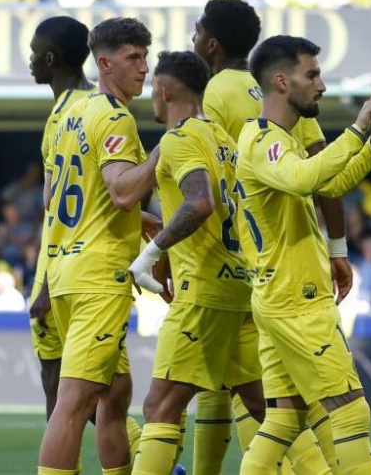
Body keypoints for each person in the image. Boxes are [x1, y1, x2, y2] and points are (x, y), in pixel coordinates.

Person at [193, 0, 353, 473]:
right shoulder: (291, 106)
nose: (194, 40)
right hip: (288, 266)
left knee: (242, 390)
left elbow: (208, 180)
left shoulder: (217, 93)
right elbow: (323, 174)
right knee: (272, 394)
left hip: (238, 262)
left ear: (212, 42)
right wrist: (338, 248)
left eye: (197, 31)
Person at [236, 34, 371, 475]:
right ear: (281, 82)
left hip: (279, 295)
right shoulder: (263, 141)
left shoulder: (275, 139)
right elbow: (305, 179)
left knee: (284, 418)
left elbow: (328, 184)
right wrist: (356, 131)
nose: (322, 85)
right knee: (349, 411)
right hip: (297, 297)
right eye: (311, 74)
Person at [127, 50, 274, 475]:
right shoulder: (225, 140)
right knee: (264, 405)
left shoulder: (178, 139)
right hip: (239, 286)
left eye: (154, 89)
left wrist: (151, 254)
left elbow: (200, 202)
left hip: (204, 292)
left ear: (165, 90)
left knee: (162, 404)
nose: (151, 98)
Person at [36, 17, 158, 475]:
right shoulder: (113, 115)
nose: (144, 68)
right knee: (75, 400)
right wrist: (165, 148)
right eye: (134, 58)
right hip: (97, 277)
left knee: (116, 392)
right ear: (105, 63)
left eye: (145, 57)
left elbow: (55, 198)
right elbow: (124, 191)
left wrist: (141, 222)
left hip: (67, 270)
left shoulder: (69, 113)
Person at [26, 14, 99, 420]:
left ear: (51, 59)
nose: (30, 62)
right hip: (66, 260)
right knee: (65, 380)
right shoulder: (84, 107)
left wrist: (47, 284)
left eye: (35, 54)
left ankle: (148, 459)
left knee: (83, 386)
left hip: (73, 264)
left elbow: (56, 205)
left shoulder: (75, 112)